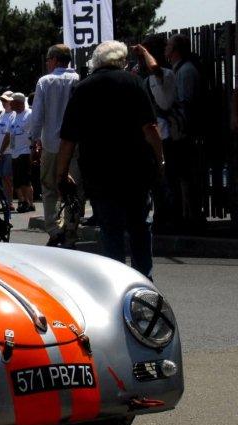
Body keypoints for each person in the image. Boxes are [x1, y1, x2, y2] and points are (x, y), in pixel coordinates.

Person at [57, 41, 163, 279]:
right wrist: (160, 160)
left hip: (99, 171)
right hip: (135, 168)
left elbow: (68, 139)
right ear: (122, 60)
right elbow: (150, 129)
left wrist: (62, 173)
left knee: (110, 228)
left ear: (97, 62)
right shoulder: (134, 83)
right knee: (139, 225)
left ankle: (116, 280)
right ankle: (144, 278)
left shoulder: (83, 89)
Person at [30, 44, 81, 246]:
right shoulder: (78, 80)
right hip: (74, 144)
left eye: (48, 60)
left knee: (49, 187)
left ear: (54, 60)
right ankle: (71, 229)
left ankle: (53, 229)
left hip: (51, 144)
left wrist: (34, 140)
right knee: (73, 190)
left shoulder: (45, 81)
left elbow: (37, 114)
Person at [134, 36, 177, 232]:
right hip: (153, 135)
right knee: (155, 181)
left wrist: (144, 52)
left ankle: (169, 218)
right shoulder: (145, 78)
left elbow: (155, 69)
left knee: (167, 180)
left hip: (167, 135)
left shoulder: (165, 74)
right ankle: (160, 216)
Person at [165, 33, 205, 227]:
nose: (166, 49)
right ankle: (184, 215)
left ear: (175, 49)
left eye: (169, 46)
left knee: (185, 176)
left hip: (183, 132)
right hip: (177, 130)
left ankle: (191, 217)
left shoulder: (186, 71)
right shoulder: (177, 69)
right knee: (179, 176)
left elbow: (186, 102)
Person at [0, 92, 34, 213]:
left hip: (25, 151)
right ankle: (23, 201)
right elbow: (8, 135)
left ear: (19, 102)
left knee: (25, 180)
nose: (10, 104)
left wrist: (34, 149)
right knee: (18, 180)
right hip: (14, 152)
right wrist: (2, 150)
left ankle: (28, 202)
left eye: (12, 102)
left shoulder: (29, 114)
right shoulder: (13, 116)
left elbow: (35, 132)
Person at [0, 91, 15, 209]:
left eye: (5, 100)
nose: (3, 102)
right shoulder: (0, 114)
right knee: (2, 177)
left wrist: (1, 151)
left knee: (7, 177)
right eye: (2, 100)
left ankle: (9, 202)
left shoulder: (14, 114)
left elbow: (8, 135)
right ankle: (6, 201)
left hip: (8, 151)